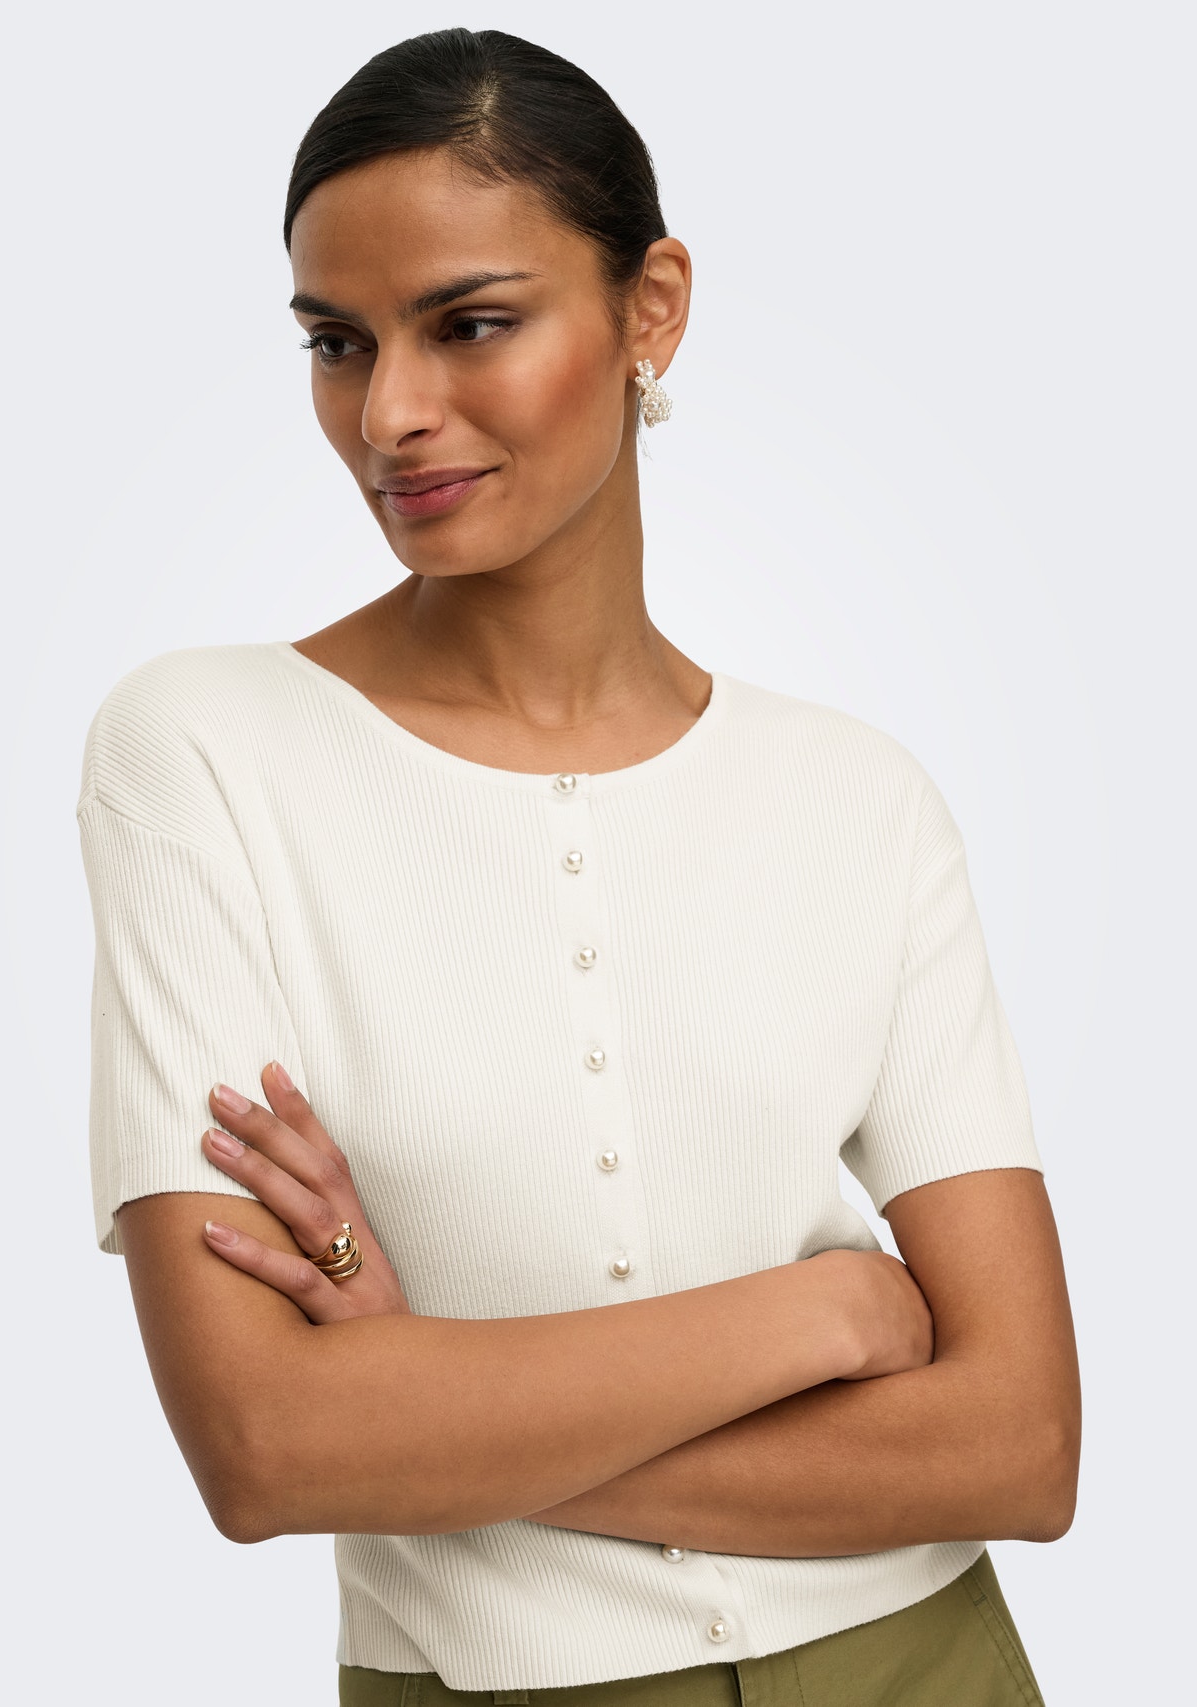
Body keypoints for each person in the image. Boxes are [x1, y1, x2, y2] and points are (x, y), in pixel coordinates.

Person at [76, 27, 1079, 1707]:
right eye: (337, 342)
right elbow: (265, 1447)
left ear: (650, 309)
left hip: (929, 1666)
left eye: (471, 323)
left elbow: (1023, 1446)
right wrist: (823, 1318)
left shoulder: (860, 800)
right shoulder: (200, 754)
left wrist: (420, 1401)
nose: (390, 415)